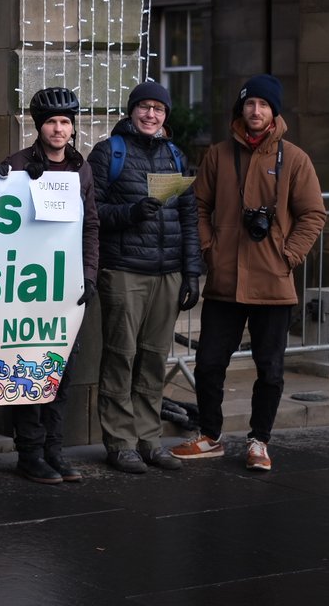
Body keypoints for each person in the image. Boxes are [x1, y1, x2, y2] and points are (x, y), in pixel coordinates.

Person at [172, 75, 325, 471]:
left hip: (273, 283)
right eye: (249, 104)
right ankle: (210, 435)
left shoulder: (294, 158)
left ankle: (260, 441)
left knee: (270, 370)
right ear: (240, 109)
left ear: (275, 111)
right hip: (224, 280)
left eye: (263, 105)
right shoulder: (218, 155)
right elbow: (199, 206)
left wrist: (287, 256)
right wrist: (209, 250)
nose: (255, 111)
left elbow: (313, 214)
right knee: (208, 364)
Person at [88, 81, 200, 474]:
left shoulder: (174, 155)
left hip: (167, 273)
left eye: (159, 109)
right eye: (144, 107)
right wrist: (132, 212)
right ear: (132, 110)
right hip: (124, 271)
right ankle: (120, 442)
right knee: (121, 356)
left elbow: (188, 218)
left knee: (153, 359)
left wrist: (192, 271)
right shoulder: (109, 153)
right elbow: (93, 212)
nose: (151, 115)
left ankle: (149, 440)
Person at [0, 88, 99, 485]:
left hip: (65, 286)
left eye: (65, 122)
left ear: (73, 128)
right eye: (51, 122)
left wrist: (88, 274)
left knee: (61, 374)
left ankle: (55, 449)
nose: (58, 129)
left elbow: (90, 226)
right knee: (27, 371)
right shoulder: (18, 163)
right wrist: (12, 182)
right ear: (39, 126)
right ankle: (30, 452)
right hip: (26, 288)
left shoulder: (80, 168)